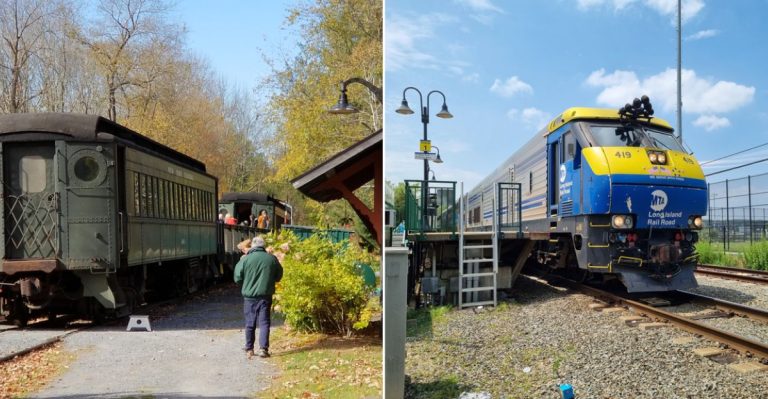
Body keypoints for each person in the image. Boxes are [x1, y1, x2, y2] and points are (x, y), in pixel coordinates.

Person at [234, 236, 283, 359]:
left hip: (249, 297)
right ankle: (263, 349)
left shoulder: (245, 259)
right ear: (263, 246)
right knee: (264, 322)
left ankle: (249, 348)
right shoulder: (271, 259)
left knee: (250, 322)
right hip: (265, 296)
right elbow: (278, 276)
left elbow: (237, 278)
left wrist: (246, 284)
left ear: (253, 246)